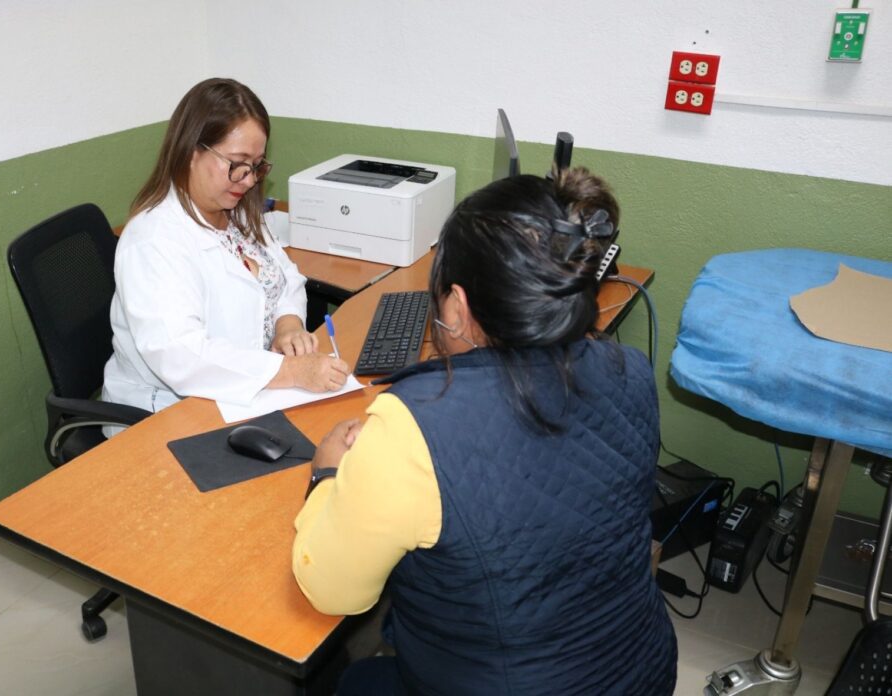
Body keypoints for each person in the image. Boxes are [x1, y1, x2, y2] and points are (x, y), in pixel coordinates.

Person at [291, 170, 677, 694]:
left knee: (356, 682)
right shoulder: (629, 368)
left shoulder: (413, 426)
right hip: (641, 671)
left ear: (457, 307)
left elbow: (333, 591)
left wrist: (327, 475)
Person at [102, 78, 348, 417]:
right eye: (237, 163)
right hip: (170, 413)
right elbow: (181, 357)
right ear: (191, 152)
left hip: (251, 394)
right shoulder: (153, 241)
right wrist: (291, 371)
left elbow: (284, 276)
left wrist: (288, 324)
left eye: (257, 165)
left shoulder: (235, 211)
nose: (249, 179)